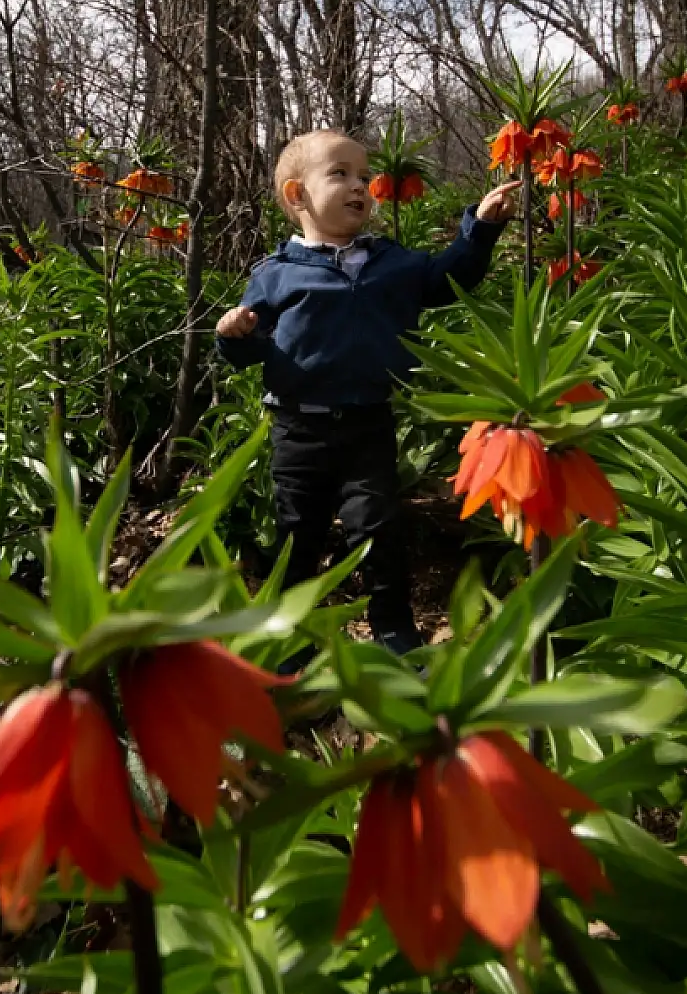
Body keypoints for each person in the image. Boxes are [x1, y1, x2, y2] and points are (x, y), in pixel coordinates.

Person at [215, 130, 521, 657]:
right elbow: (251, 350)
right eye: (340, 174)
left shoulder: (392, 263)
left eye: (364, 175)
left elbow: (449, 281)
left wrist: (482, 229)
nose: (361, 185)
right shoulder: (274, 275)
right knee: (298, 533)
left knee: (377, 528)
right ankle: (292, 635)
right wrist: (232, 335)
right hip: (299, 428)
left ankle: (395, 630)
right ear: (297, 195)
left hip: (369, 422)